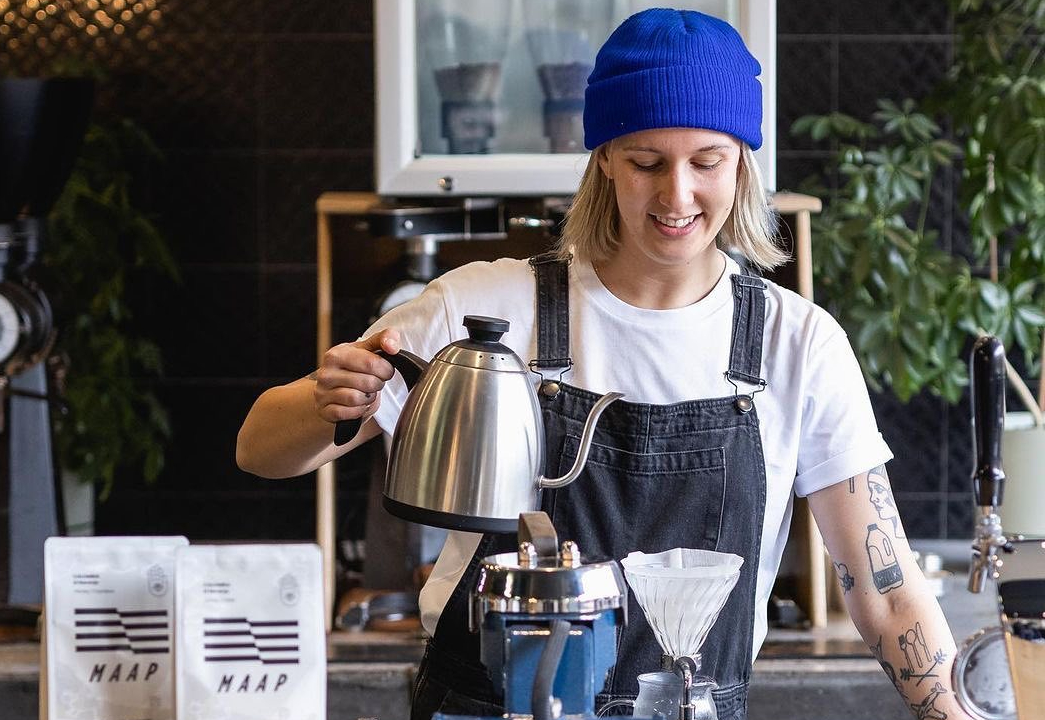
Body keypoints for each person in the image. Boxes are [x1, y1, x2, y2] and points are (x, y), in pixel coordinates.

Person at [237, 8, 974, 720]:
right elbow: (259, 451)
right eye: (646, 162)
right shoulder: (485, 307)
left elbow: (886, 590)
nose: (676, 194)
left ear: (743, 164)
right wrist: (327, 400)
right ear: (604, 162)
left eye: (707, 161)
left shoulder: (797, 343)